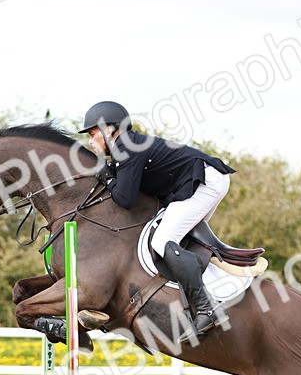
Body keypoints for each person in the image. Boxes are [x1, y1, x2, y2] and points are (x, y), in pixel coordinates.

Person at [79, 101, 236, 341]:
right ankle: (216, 292)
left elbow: (125, 198)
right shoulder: (127, 147)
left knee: (163, 239)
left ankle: (206, 310)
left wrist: (101, 165)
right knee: (177, 241)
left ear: (109, 129)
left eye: (93, 133)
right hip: (205, 179)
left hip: (205, 181)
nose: (91, 140)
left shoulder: (126, 148)